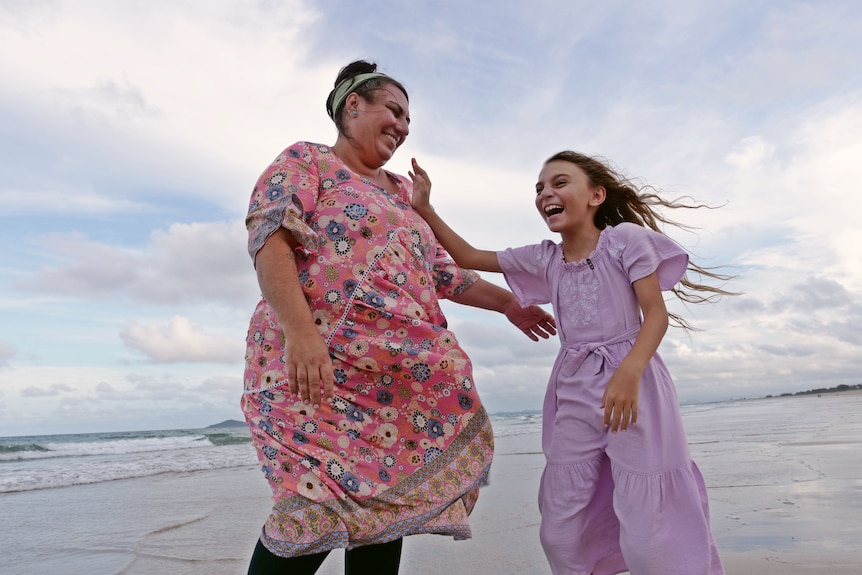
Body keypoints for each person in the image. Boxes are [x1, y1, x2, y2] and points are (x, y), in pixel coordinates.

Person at [241, 60, 556, 575]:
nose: (404, 127)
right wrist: (301, 333)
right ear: (353, 105)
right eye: (394, 110)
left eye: (409, 120)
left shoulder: (402, 196)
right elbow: (270, 235)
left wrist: (509, 305)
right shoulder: (308, 161)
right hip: (312, 370)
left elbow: (443, 272)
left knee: (385, 508)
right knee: (311, 508)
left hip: (392, 382)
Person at [409, 151, 732, 574]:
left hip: (634, 386)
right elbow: (468, 257)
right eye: (540, 188)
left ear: (596, 195)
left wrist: (629, 372)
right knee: (560, 529)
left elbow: (655, 314)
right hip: (573, 386)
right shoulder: (544, 258)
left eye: (559, 183)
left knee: (650, 524)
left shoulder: (625, 241)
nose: (546, 194)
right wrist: (426, 209)